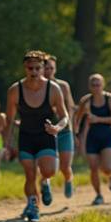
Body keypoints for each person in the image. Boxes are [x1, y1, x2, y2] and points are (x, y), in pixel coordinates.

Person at [4, 50, 69, 222]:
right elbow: (9, 120)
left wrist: (57, 128)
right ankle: (33, 205)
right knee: (29, 173)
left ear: (43, 68)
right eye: (30, 68)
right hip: (26, 136)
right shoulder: (15, 90)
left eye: (37, 68)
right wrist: (7, 144)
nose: (33, 72)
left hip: (45, 135)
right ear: (25, 68)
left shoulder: (53, 89)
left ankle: (45, 182)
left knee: (48, 171)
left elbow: (64, 116)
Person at [75, 73, 111, 205]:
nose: (96, 87)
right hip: (92, 137)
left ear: (103, 85)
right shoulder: (86, 100)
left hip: (107, 137)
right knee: (93, 167)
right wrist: (76, 133)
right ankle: (99, 195)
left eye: (98, 84)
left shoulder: (110, 99)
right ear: (90, 86)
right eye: (93, 85)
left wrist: (98, 119)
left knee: (106, 167)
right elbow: (77, 118)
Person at [43, 54, 76, 198]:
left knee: (64, 166)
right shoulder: (38, 87)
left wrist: (73, 130)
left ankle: (69, 180)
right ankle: (45, 184)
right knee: (47, 165)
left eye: (51, 68)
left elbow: (70, 109)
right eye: (46, 68)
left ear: (55, 69)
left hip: (64, 130)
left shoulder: (63, 86)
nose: (48, 71)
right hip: (46, 130)